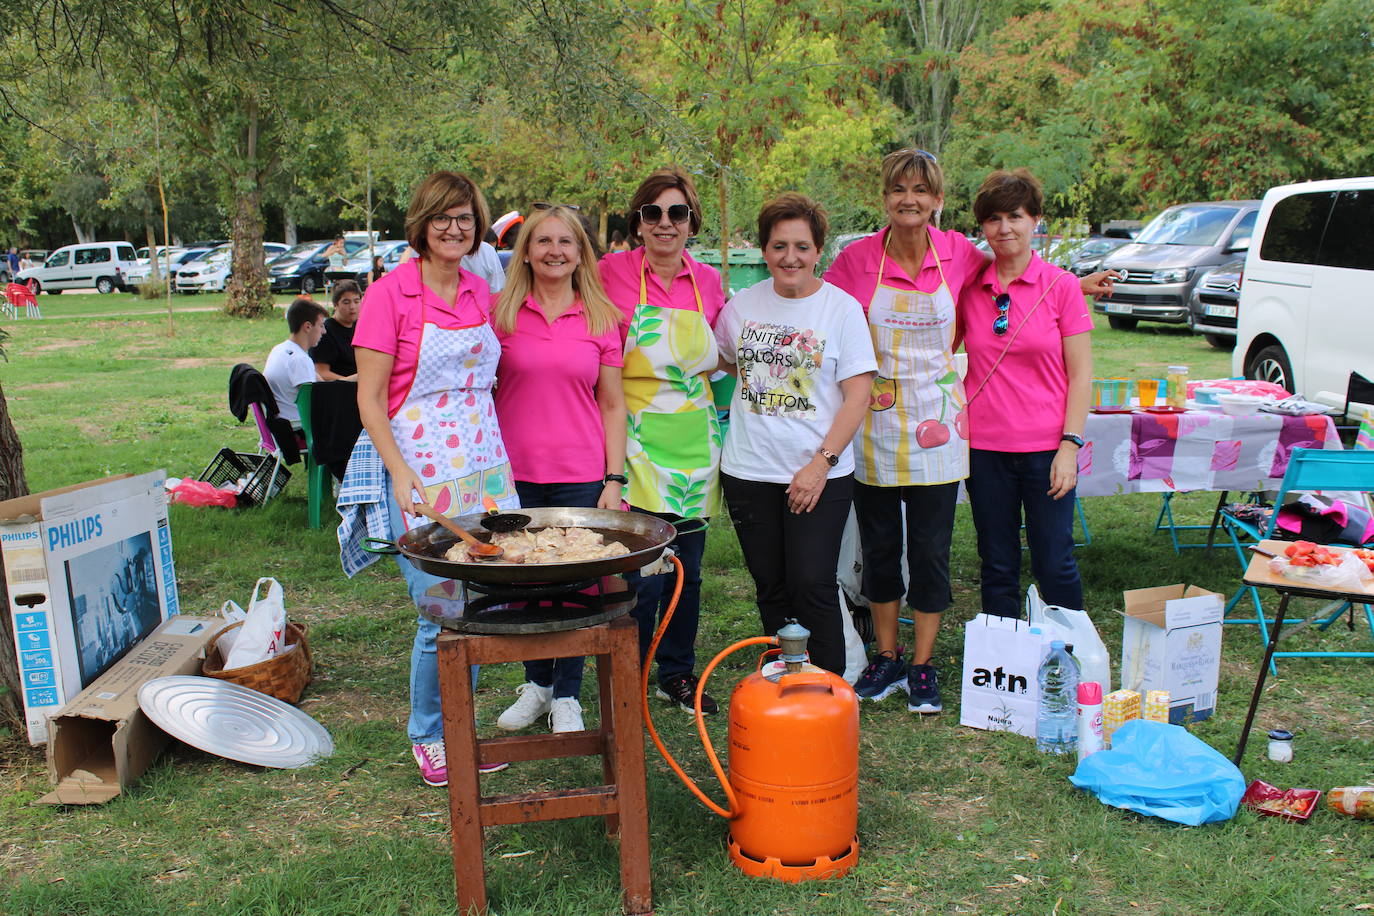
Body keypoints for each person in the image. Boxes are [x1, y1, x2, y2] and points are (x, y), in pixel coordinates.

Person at [825, 148, 1117, 713]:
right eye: (897, 189)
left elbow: (1028, 274)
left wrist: (1076, 284)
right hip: (876, 428)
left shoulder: (959, 254)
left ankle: (925, 665)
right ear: (884, 197)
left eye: (921, 190)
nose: (908, 200)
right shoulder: (858, 260)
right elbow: (820, 304)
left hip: (941, 427)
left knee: (933, 552)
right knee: (882, 551)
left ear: (937, 200)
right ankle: (888, 657)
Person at [345, 170, 518, 787]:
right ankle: (429, 734)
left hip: (481, 466)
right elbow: (368, 400)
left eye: (465, 217)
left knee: (477, 605)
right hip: (419, 466)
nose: (454, 227)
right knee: (440, 608)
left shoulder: (479, 291)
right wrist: (399, 472)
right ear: (420, 223)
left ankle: (460, 730)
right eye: (442, 217)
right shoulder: (389, 295)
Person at [715, 193, 876, 675]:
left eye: (802, 247)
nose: (790, 258)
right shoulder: (740, 307)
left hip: (819, 473)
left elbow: (858, 395)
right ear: (764, 249)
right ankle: (785, 680)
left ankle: (828, 687)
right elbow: (722, 361)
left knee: (812, 583)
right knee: (771, 586)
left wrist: (820, 464)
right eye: (779, 245)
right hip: (747, 470)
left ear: (818, 250)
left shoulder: (841, 310)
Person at [489, 204, 627, 735]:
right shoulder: (499, 314)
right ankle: (536, 684)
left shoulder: (602, 317)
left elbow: (613, 405)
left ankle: (567, 691)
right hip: (513, 474)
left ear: (581, 253)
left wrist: (613, 480)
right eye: (542, 241)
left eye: (565, 242)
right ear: (525, 250)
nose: (554, 251)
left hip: (580, 473)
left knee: (578, 586)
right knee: (523, 584)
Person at [598, 167, 726, 713]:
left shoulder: (711, 282)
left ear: (692, 221)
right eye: (653, 213)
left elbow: (723, 357)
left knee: (686, 571)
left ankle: (677, 672)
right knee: (639, 569)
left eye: (677, 213)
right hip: (636, 435)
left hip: (695, 441)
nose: (665, 223)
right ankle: (631, 670)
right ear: (639, 221)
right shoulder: (610, 273)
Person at [960, 168, 1092, 618]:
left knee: (1054, 560)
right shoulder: (970, 289)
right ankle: (1004, 670)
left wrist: (1069, 447)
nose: (1004, 228)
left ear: (1035, 219)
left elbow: (1081, 376)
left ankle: (1067, 658)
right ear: (982, 227)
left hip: (1047, 451)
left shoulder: (1063, 287)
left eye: (1015, 216)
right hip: (984, 450)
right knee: (997, 564)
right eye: (993, 218)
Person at [263, 296, 326, 426]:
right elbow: (313, 404)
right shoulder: (299, 360)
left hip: (281, 425)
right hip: (298, 430)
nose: (324, 331)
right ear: (308, 326)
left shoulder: (280, 350)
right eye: (321, 325)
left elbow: (324, 385)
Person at [310, 279, 361, 381]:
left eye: (356, 301)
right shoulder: (325, 332)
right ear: (335, 305)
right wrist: (351, 381)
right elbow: (321, 372)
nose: (352, 307)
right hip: (340, 389)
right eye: (346, 302)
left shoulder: (361, 327)